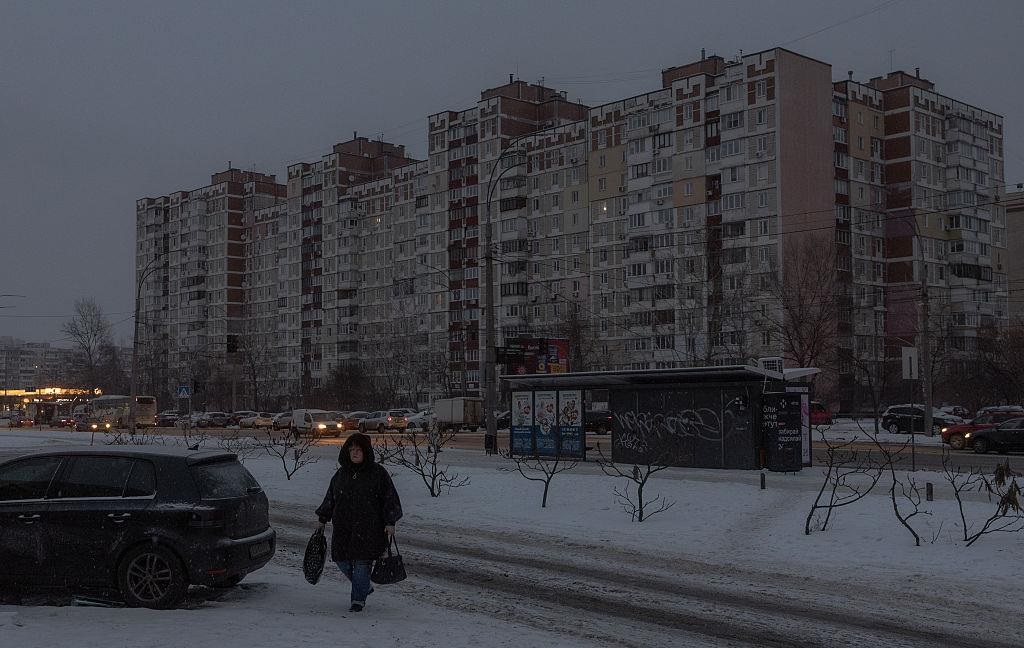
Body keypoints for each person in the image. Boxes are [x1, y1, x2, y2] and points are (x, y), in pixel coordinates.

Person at [315, 432, 403, 612]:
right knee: (341, 559)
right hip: (343, 528)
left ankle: (358, 600)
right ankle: (363, 586)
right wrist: (322, 518)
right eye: (351, 450)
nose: (354, 453)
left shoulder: (378, 473)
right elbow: (331, 498)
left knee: (362, 563)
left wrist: (390, 521)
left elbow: (390, 499)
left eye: (358, 450)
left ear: (366, 452)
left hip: (369, 528)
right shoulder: (341, 474)